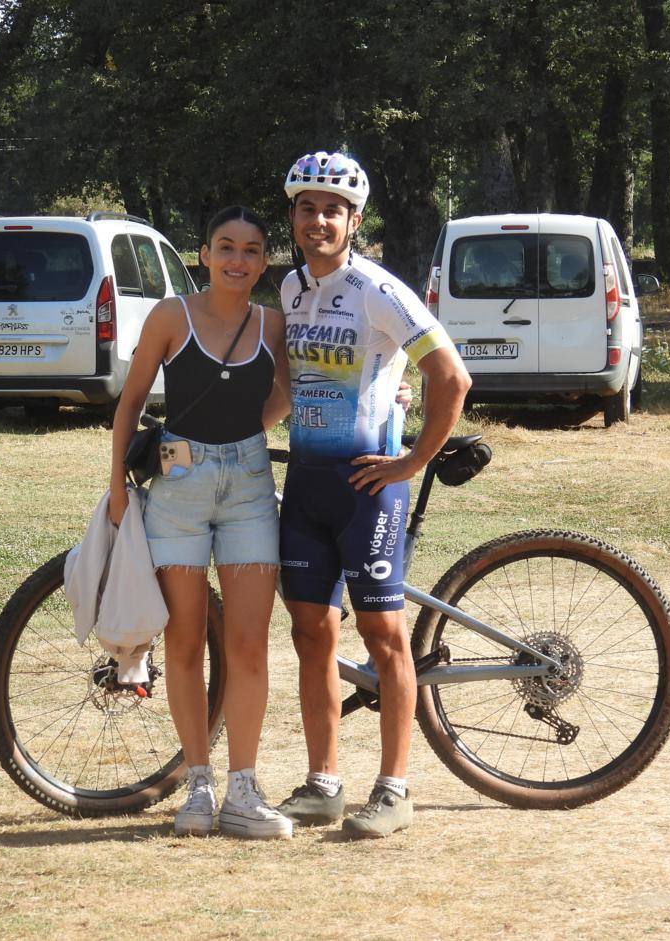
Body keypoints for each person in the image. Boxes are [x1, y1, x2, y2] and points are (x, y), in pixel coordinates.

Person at [274, 151, 472, 838]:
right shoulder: (289, 291)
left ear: (353, 221)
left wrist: (412, 459)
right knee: (309, 634)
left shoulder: (376, 289)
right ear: (293, 216)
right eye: (307, 207)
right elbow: (280, 391)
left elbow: (451, 376)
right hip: (304, 484)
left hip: (367, 488)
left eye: (333, 209)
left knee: (383, 635)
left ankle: (393, 787)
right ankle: (324, 782)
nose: (318, 219)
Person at [109, 206, 293, 840]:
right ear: (205, 254)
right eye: (225, 247)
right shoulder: (171, 315)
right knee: (185, 643)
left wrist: (244, 441)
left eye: (251, 250)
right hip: (177, 491)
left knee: (247, 646)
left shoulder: (273, 324)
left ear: (263, 262)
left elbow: (287, 393)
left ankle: (244, 788)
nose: (237, 260)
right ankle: (198, 784)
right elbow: (131, 401)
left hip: (247, 489)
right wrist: (114, 487)